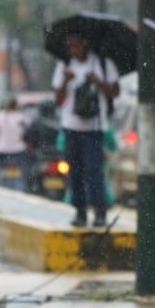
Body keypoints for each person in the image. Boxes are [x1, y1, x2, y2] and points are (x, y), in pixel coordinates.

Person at [53, 33, 119, 228]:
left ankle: (100, 211)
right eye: (69, 45)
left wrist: (98, 81)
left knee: (94, 170)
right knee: (75, 171)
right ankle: (80, 211)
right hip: (71, 126)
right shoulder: (63, 65)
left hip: (95, 128)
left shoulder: (104, 64)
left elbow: (115, 92)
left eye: (76, 44)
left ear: (85, 43)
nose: (72, 48)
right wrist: (65, 80)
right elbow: (58, 98)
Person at [0, 96, 29, 190]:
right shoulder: (22, 117)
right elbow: (28, 130)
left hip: (1, 151)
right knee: (23, 172)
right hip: (19, 151)